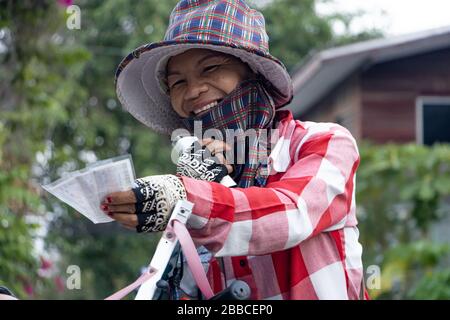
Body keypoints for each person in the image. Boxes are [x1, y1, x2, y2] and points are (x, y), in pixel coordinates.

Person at [104, 0, 365, 300]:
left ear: (255, 75)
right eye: (178, 83)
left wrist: (189, 197)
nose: (192, 91)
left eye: (211, 68)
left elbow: (292, 214)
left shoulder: (323, 142)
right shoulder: (199, 176)